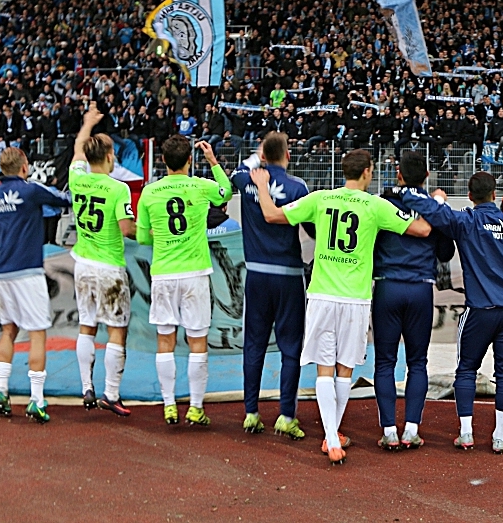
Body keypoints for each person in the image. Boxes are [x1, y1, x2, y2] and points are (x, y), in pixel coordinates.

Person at [249, 149, 431, 465]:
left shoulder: (321, 198)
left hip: (321, 294)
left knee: (323, 367)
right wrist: (434, 200)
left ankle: (332, 437)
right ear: (366, 173)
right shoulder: (377, 206)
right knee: (344, 368)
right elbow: (422, 229)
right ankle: (332, 437)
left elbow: (272, 215)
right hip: (355, 298)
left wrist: (262, 187)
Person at [399, 171, 503, 454]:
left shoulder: (467, 220)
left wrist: (403, 193)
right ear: (495, 194)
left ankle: (467, 433)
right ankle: (499, 436)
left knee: (467, 369)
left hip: (480, 310)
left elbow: (433, 210)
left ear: (470, 196)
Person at [137, 135, 231, 425]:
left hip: (164, 273)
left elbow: (141, 238)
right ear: (190, 160)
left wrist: (161, 235)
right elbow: (226, 192)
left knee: (165, 339)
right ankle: (196, 407)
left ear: (163, 161)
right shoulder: (201, 186)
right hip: (195, 274)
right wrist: (213, 161)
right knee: (197, 339)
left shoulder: (150, 192)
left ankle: (168, 405)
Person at [231, 132, 313, 439]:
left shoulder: (246, 179)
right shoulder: (298, 187)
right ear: (288, 155)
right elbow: (311, 228)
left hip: (257, 274)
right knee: (290, 347)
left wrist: (257, 159)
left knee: (254, 342)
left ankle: (251, 413)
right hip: (289, 276)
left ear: (262, 154)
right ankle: (286, 415)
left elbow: (238, 170)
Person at [372, 151, 455, 450]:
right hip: (421, 288)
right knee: (417, 362)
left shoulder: (382, 203)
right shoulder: (433, 208)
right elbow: (446, 253)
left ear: (398, 174)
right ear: (428, 176)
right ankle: (411, 429)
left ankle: (389, 431)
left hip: (387, 286)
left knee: (384, 362)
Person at [0, 147, 72, 423]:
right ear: (25, 166)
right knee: (37, 333)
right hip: (28, 272)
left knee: (8, 330)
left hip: (2, 272)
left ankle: (0, 391)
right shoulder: (31, 190)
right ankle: (36, 399)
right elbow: (64, 200)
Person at [69, 103, 137, 416]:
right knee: (115, 329)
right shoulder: (118, 188)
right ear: (109, 157)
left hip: (82, 262)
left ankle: (86, 386)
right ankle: (111, 393)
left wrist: (87, 123)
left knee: (87, 325)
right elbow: (127, 230)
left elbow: (76, 151)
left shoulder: (77, 178)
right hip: (109, 266)